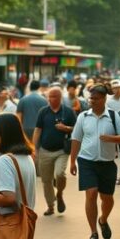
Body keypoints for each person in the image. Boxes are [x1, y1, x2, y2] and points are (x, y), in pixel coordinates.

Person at [70, 84, 120, 239]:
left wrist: (111, 139)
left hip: (108, 163)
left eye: (96, 99)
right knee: (91, 193)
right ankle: (93, 233)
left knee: (107, 198)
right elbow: (76, 139)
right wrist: (72, 161)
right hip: (87, 161)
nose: (92, 101)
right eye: (91, 98)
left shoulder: (113, 116)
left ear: (103, 99)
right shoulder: (83, 116)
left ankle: (103, 220)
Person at [32, 86, 76, 216]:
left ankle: (60, 194)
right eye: (49, 96)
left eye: (54, 96)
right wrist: (35, 148)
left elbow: (77, 128)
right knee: (46, 181)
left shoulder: (68, 112)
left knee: (60, 174)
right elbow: (37, 130)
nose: (51, 99)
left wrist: (66, 128)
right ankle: (50, 206)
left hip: (61, 150)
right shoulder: (43, 112)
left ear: (60, 97)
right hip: (45, 150)